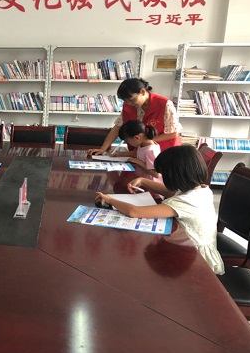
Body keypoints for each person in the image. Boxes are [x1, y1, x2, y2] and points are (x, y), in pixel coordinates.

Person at [95, 145, 224, 275]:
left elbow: (135, 212)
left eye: (164, 174)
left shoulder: (186, 202)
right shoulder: (200, 189)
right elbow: (170, 192)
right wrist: (143, 181)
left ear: (175, 176)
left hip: (195, 258)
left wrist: (110, 200)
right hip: (189, 246)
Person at [88, 78, 182, 156]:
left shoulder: (164, 104)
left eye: (131, 99)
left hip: (164, 152)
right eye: (126, 101)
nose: (129, 103)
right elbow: (118, 127)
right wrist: (103, 149)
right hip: (141, 152)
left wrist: (145, 141)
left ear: (142, 92)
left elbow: (173, 133)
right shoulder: (128, 105)